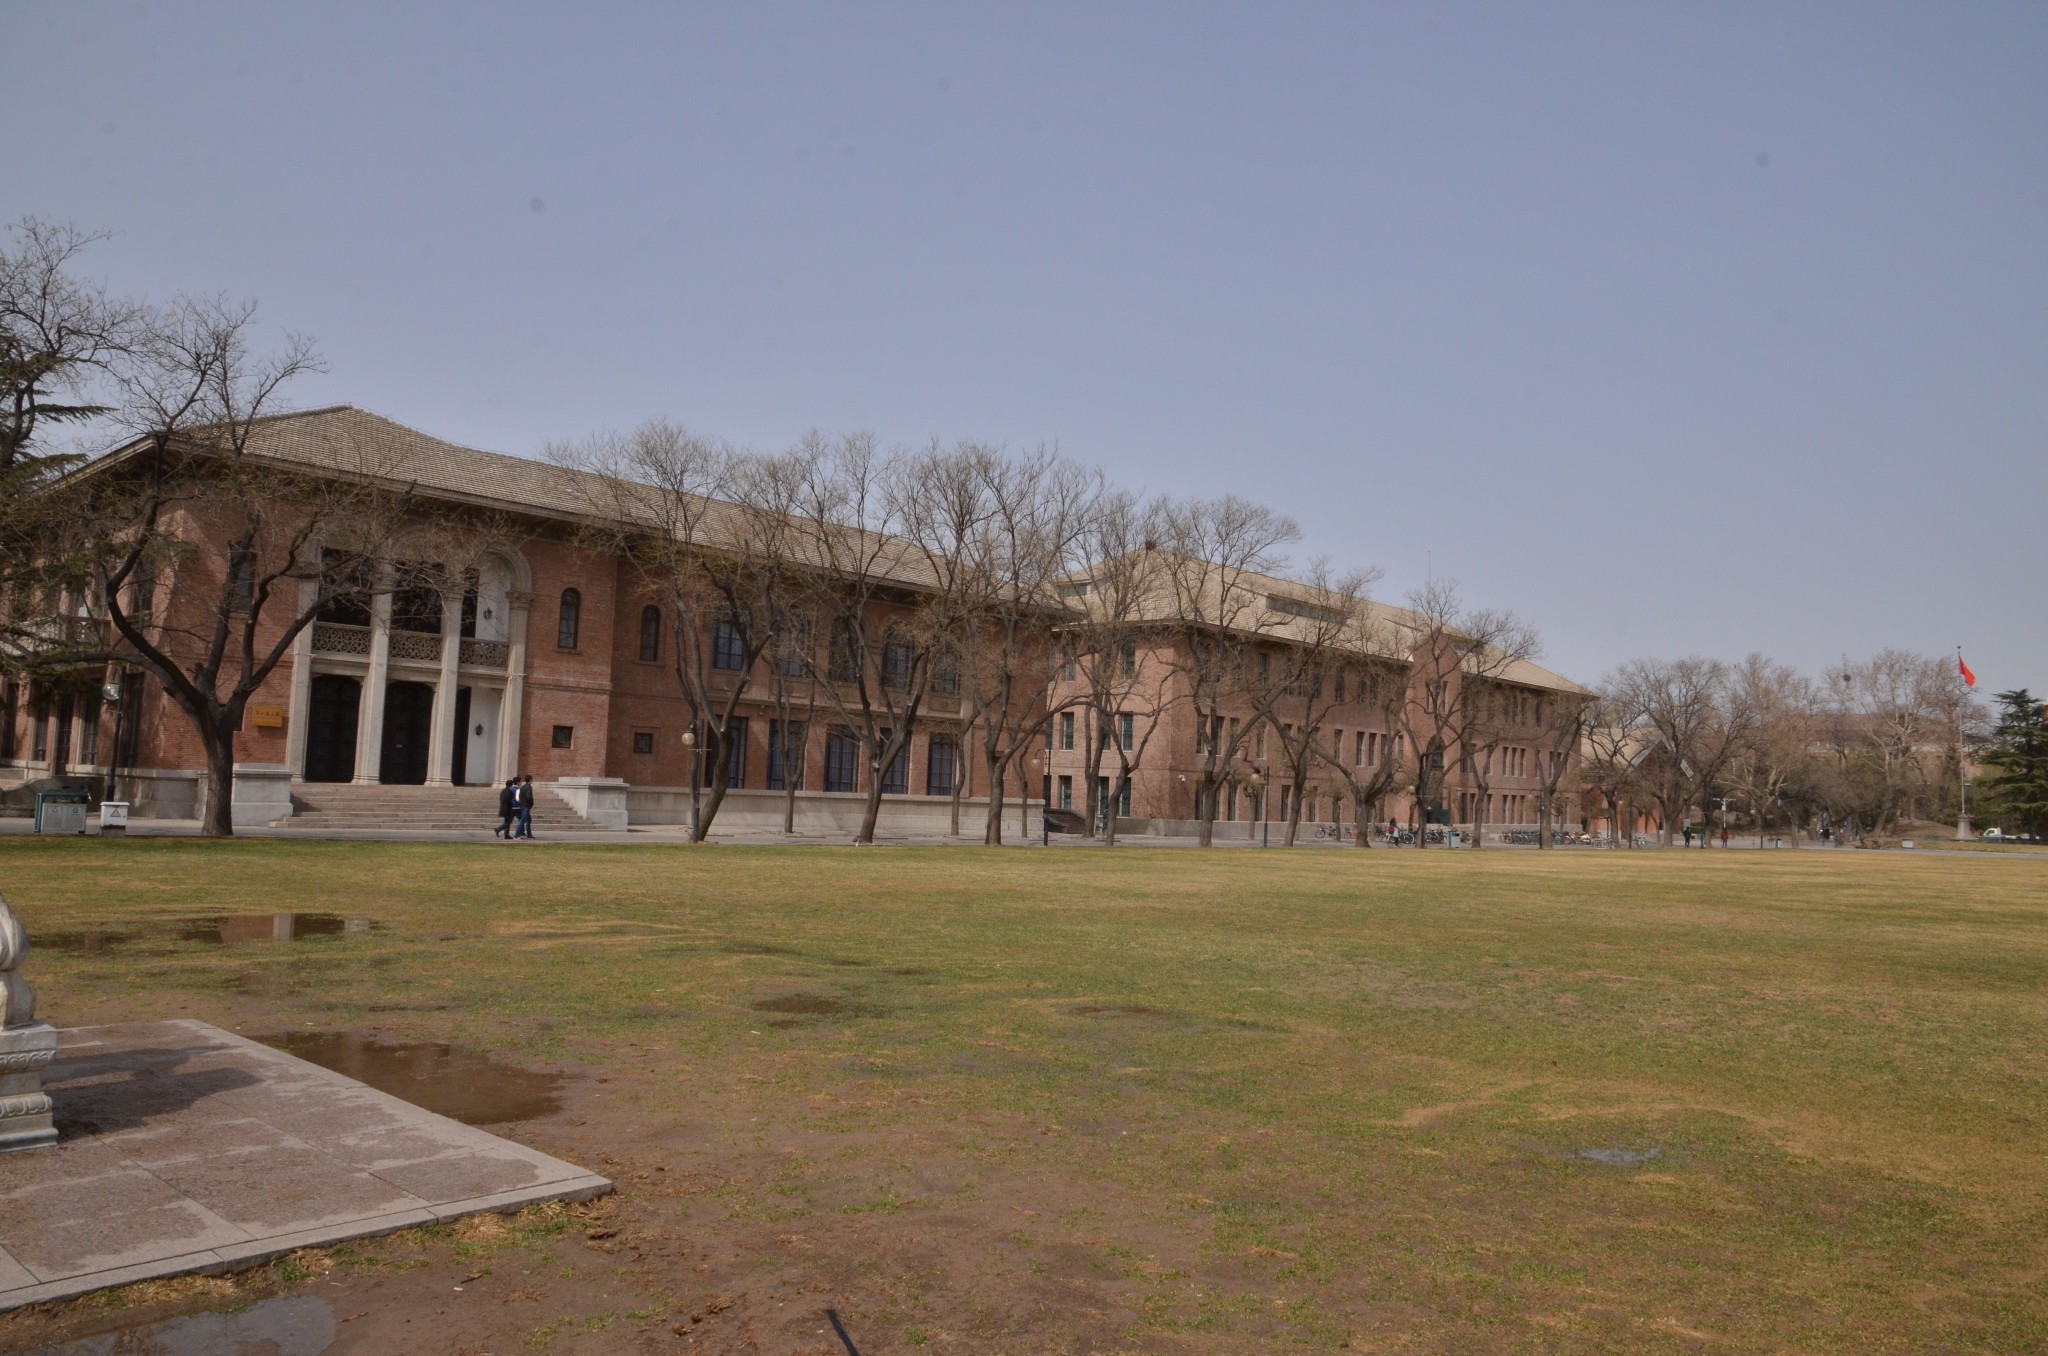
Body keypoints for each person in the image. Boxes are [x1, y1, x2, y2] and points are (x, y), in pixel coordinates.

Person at [515, 774, 535, 840]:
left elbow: (520, 796)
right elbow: (528, 797)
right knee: (522, 821)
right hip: (526, 806)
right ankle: (516, 835)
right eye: (531, 780)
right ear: (530, 780)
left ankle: (529, 834)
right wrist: (531, 803)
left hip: (522, 805)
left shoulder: (522, 787)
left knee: (528, 820)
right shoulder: (529, 787)